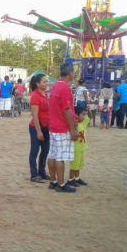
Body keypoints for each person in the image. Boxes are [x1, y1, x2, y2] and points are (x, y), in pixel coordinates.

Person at [47, 63, 78, 193]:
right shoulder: (64, 88)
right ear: (70, 73)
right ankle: (61, 183)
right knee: (60, 157)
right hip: (62, 127)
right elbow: (66, 109)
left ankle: (53, 181)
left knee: (52, 154)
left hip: (54, 125)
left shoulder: (56, 86)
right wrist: (72, 128)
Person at [29, 73, 50, 182]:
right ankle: (34, 174)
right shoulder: (35, 96)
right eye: (44, 82)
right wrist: (38, 131)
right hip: (36, 127)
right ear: (37, 84)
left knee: (45, 150)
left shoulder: (46, 94)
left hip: (46, 127)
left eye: (47, 81)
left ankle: (41, 172)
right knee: (35, 150)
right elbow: (35, 115)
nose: (46, 83)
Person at [68, 106, 90, 186]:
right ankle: (71, 179)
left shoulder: (83, 123)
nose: (84, 116)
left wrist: (88, 110)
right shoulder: (72, 125)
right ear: (76, 115)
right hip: (75, 149)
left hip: (82, 148)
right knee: (74, 165)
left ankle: (77, 178)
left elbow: (89, 117)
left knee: (79, 164)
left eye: (84, 115)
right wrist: (75, 126)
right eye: (82, 115)